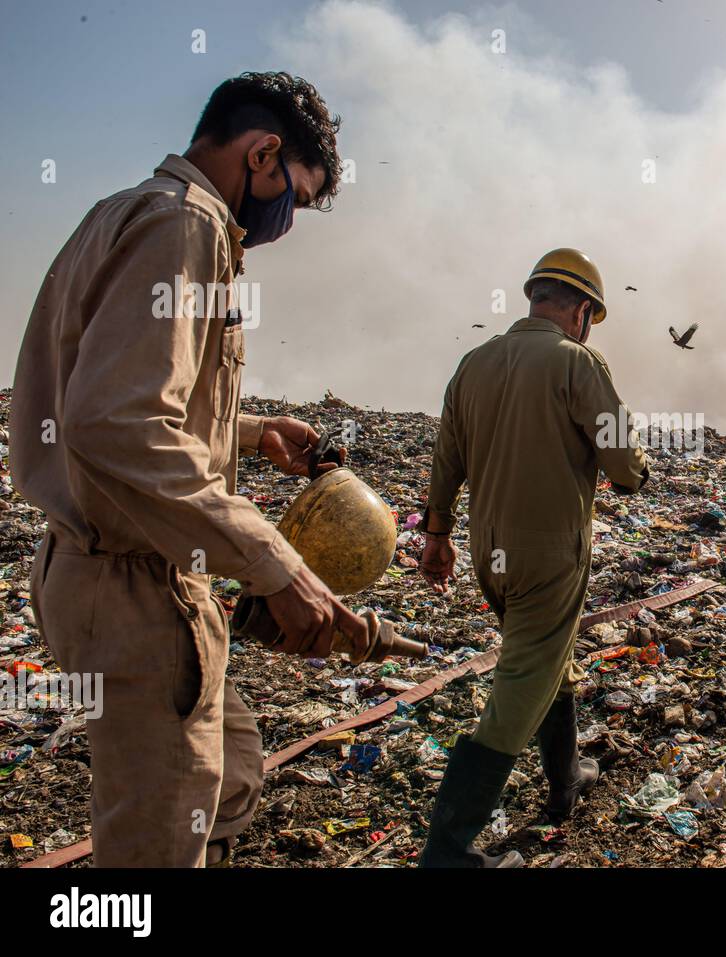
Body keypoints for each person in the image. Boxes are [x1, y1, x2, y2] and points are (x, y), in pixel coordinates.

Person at [9, 72, 367, 867]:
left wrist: (251, 430)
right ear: (263, 153)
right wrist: (275, 562)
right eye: (295, 198)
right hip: (137, 590)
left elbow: (110, 398)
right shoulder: (187, 227)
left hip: (107, 575)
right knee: (154, 854)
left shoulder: (123, 211)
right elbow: (115, 422)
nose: (287, 220)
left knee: (231, 771)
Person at [418, 248, 650, 867]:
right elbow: (625, 466)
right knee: (521, 684)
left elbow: (448, 460)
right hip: (549, 553)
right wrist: (637, 464)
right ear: (582, 312)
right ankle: (448, 849)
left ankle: (564, 779)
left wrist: (436, 535)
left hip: (487, 555)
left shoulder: (473, 364)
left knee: (548, 657)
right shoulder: (575, 363)